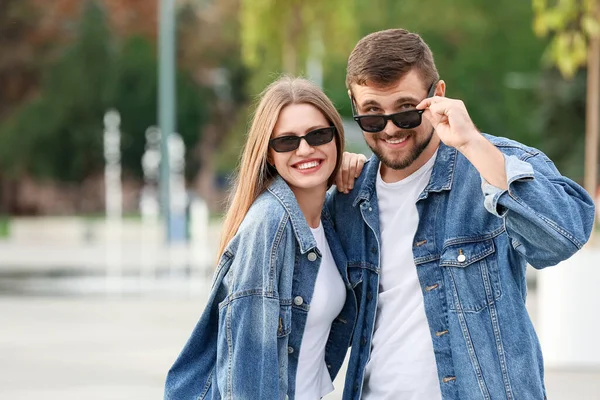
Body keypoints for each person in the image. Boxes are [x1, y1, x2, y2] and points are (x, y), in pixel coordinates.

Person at [328, 29, 596, 400]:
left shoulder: (492, 162)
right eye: (372, 116)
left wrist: (472, 144)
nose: (389, 129)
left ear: (438, 96)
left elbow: (564, 237)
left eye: (406, 112)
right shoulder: (347, 200)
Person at [164, 76, 359, 400]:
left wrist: (354, 166)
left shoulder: (327, 218)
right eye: (286, 141)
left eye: (318, 135)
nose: (305, 149)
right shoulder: (269, 225)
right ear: (269, 154)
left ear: (336, 138)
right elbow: (248, 370)